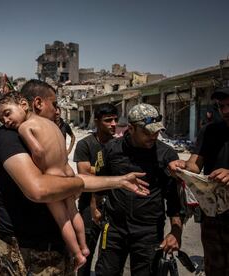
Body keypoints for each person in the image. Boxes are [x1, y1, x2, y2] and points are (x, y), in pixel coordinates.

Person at [0, 79, 149, 276]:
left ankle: (81, 252)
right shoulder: (9, 136)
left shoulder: (44, 129)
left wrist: (120, 180)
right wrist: (75, 183)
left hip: (52, 246)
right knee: (70, 215)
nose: (57, 111)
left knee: (69, 216)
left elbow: (69, 181)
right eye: (54, 104)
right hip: (25, 248)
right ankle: (81, 250)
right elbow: (39, 189)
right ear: (37, 103)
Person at [0, 92, 89, 269]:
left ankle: (78, 254)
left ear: (23, 104)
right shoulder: (51, 123)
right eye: (2, 120)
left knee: (63, 220)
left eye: (7, 114)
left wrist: (38, 168)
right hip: (66, 171)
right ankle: (84, 246)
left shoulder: (24, 128)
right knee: (73, 212)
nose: (6, 122)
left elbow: (38, 151)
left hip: (51, 175)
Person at [94, 103, 183, 276]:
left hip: (148, 232)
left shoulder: (167, 155)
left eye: (157, 131)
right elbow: (99, 182)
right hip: (114, 229)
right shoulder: (111, 149)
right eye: (147, 132)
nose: (154, 136)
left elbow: (175, 199)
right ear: (131, 128)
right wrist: (95, 208)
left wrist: (176, 232)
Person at [169, 87, 229, 276]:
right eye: (221, 106)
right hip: (214, 213)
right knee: (215, 265)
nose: (225, 111)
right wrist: (182, 166)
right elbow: (195, 164)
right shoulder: (210, 131)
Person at [74, 103, 118, 276]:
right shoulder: (85, 145)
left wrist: (98, 172)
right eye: (108, 120)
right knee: (85, 251)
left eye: (115, 119)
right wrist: (108, 175)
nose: (113, 124)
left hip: (114, 205)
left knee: (109, 255)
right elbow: (84, 176)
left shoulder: (119, 145)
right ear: (97, 121)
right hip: (88, 206)